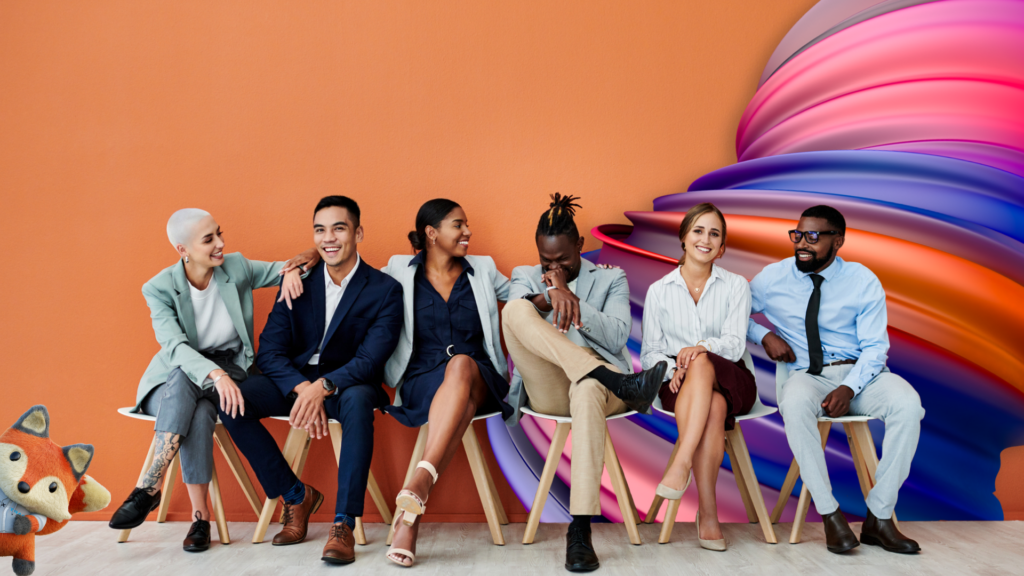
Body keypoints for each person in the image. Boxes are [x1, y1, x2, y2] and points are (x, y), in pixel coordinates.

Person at [109, 208, 316, 552]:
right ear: (183, 250)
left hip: (231, 370)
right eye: (209, 239)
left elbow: (300, 265)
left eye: (219, 233)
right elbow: (174, 346)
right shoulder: (158, 288)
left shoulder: (236, 267)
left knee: (197, 407)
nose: (221, 243)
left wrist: (296, 267)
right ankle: (197, 517)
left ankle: (152, 492)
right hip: (171, 382)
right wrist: (214, 375)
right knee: (194, 400)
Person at [218, 196, 404, 565]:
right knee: (232, 401)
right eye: (320, 230)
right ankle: (295, 495)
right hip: (295, 380)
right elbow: (269, 350)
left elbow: (371, 359)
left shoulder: (385, 289)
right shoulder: (297, 282)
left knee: (356, 403)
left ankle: (343, 523)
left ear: (358, 233)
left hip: (349, 382)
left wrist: (324, 387)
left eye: (339, 228)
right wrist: (303, 388)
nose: (328, 238)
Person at [503, 194, 666, 572]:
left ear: (580, 246)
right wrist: (549, 294)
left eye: (563, 259)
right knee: (514, 309)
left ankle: (579, 531)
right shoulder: (524, 276)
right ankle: (621, 382)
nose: (554, 266)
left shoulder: (611, 277)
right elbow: (519, 321)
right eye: (547, 261)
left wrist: (572, 298)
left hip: (598, 395)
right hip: (550, 388)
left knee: (589, 387)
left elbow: (617, 337)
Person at [748, 205, 924, 555]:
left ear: (838, 241)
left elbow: (876, 347)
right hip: (807, 376)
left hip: (862, 375)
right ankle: (830, 514)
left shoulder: (861, 280)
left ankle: (879, 516)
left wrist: (849, 387)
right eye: (797, 235)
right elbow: (730, 313)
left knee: (908, 405)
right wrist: (762, 334)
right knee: (794, 404)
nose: (802, 243)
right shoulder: (773, 277)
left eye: (813, 237)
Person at [380, 199, 515, 567]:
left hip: (479, 375)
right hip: (423, 380)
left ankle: (417, 490)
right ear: (431, 232)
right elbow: (352, 279)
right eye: (459, 225)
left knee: (460, 366)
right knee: (460, 403)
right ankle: (414, 507)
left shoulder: (483, 269)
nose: (468, 232)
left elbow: (520, 292)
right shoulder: (397, 270)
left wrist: (555, 286)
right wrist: (308, 260)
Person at [640, 202, 755, 552]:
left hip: (732, 379)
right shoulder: (659, 290)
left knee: (704, 363)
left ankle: (681, 462)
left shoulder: (736, 286)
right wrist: (674, 366)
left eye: (715, 234)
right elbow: (649, 352)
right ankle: (708, 513)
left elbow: (734, 345)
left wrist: (697, 350)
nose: (706, 239)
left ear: (722, 248)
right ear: (684, 238)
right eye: (699, 231)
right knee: (714, 407)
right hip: (680, 386)